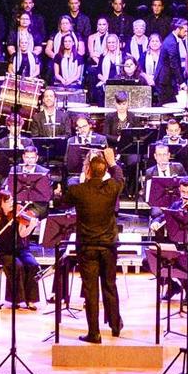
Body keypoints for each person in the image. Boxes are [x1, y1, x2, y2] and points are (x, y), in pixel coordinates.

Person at [64, 146, 125, 343]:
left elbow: (61, 202)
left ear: (87, 171)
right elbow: (119, 177)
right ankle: (115, 326)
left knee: (91, 290)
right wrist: (113, 162)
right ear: (105, 171)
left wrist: (81, 179)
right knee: (110, 285)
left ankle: (94, 333)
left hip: (88, 247)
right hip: (108, 246)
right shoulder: (112, 188)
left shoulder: (78, 190)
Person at [0, 191, 39, 308]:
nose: (11, 203)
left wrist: (32, 226)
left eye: (11, 200)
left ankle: (31, 300)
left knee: (32, 264)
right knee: (16, 265)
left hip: (21, 250)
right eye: (7, 201)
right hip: (4, 252)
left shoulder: (18, 216)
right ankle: (16, 299)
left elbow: (23, 234)